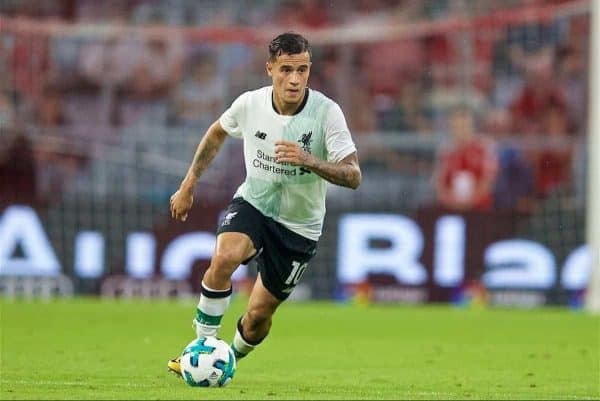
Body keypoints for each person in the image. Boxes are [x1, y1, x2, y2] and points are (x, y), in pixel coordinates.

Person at [167, 32, 361, 374]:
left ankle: (227, 359)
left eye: (302, 70)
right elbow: (216, 133)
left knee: (258, 317)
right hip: (254, 203)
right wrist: (188, 184)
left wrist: (309, 160)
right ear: (270, 68)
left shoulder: (327, 113)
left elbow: (353, 175)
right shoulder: (249, 104)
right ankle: (199, 349)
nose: (295, 79)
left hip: (299, 227)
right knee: (225, 256)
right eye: (286, 70)